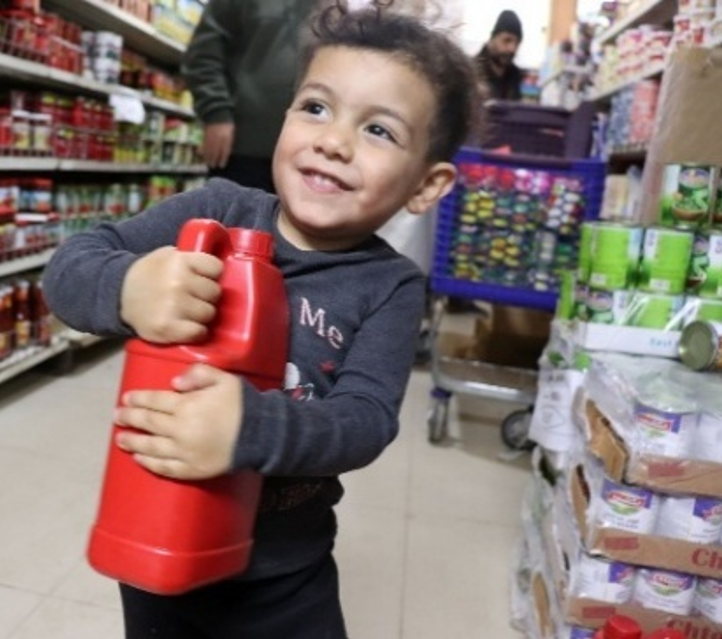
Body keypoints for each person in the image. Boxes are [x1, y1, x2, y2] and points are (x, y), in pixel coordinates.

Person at [43, 1, 481, 636]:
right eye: (316, 107)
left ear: (426, 185)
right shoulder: (216, 210)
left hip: (286, 572)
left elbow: (365, 421)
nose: (333, 141)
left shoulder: (391, 287)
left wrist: (251, 427)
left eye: (378, 130)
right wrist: (128, 286)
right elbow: (70, 267)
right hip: (157, 537)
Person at [182, 0, 319, 193]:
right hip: (244, 149)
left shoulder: (330, 6)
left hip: (306, 155)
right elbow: (203, 53)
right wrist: (216, 113)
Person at [475, 9, 524, 101]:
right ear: (492, 39)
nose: (512, 48)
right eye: (507, 40)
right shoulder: (472, 72)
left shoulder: (514, 76)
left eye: (517, 43)